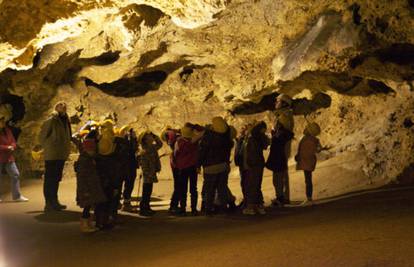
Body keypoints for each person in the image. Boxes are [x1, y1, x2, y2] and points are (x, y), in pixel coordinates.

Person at [39, 101, 72, 211]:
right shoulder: (51, 120)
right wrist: (49, 146)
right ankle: (48, 203)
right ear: (56, 107)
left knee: (56, 178)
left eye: (64, 105)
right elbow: (42, 136)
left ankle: (55, 201)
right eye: (61, 105)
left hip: (61, 153)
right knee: (49, 179)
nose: (63, 106)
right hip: (52, 154)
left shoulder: (66, 120)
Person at [198, 117, 233, 216]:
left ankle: (208, 210)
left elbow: (202, 152)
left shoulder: (208, 137)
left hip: (210, 167)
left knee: (210, 190)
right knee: (222, 188)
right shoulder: (226, 138)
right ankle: (224, 209)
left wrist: (198, 164)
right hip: (222, 166)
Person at [75, 135, 107, 232]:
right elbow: (82, 177)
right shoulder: (85, 160)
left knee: (89, 205)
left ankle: (87, 223)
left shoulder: (88, 158)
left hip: (91, 186)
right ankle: (84, 224)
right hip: (87, 187)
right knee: (87, 206)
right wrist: (85, 190)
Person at [173, 124, 202, 216]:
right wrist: (195, 126)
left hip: (182, 168)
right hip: (193, 167)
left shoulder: (178, 142)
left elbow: (175, 155)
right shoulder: (194, 141)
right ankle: (193, 209)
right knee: (193, 189)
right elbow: (203, 132)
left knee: (183, 189)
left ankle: (182, 209)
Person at [266, 114, 294, 207]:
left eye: (277, 122)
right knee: (277, 179)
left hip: (278, 159)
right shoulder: (281, 133)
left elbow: (277, 144)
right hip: (279, 158)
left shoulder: (282, 134)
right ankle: (280, 197)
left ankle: (280, 198)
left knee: (277, 179)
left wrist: (274, 136)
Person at [242, 121, 269, 215]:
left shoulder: (253, 138)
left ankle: (251, 206)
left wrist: (249, 163)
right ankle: (259, 205)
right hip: (259, 163)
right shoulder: (260, 137)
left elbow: (251, 153)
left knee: (252, 185)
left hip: (253, 164)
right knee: (257, 184)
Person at [0, 113, 28, 203]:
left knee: (15, 174)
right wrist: (6, 147)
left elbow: (13, 140)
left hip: (8, 157)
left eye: (3, 121)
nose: (3, 122)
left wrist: (12, 146)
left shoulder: (7, 130)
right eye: (1, 121)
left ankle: (17, 196)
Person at [272, 93, 294, 204]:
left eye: (278, 101)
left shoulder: (283, 117)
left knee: (280, 173)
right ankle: (283, 196)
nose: (276, 103)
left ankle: (281, 197)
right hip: (282, 148)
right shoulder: (283, 115)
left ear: (284, 103)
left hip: (281, 149)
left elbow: (282, 135)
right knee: (282, 173)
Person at [295, 122, 322, 206]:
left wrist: (298, 157)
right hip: (309, 162)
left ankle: (309, 198)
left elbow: (302, 150)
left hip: (306, 162)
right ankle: (309, 197)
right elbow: (318, 150)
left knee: (308, 180)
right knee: (308, 180)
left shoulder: (305, 139)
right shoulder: (315, 140)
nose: (305, 128)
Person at [137, 131, 163, 216]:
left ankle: (147, 207)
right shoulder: (145, 150)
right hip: (148, 173)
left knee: (148, 191)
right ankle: (144, 208)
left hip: (151, 172)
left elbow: (160, 144)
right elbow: (144, 165)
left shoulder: (151, 147)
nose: (151, 138)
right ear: (145, 140)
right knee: (146, 192)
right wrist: (148, 173)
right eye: (149, 137)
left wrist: (154, 135)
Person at [160, 126, 181, 214]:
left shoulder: (170, 138)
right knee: (179, 186)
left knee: (178, 186)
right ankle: (174, 205)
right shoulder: (173, 136)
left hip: (175, 164)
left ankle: (174, 205)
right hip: (178, 164)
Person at [120, 127, 139, 213]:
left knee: (125, 185)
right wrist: (134, 139)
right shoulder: (125, 143)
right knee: (129, 184)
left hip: (125, 166)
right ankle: (126, 203)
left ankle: (123, 203)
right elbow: (133, 149)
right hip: (128, 166)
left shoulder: (120, 142)